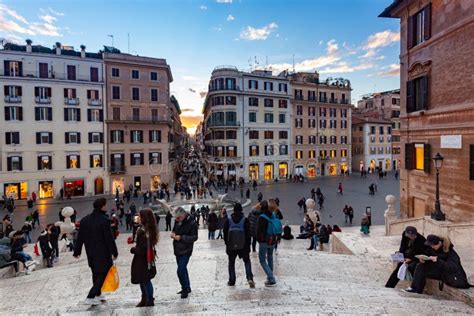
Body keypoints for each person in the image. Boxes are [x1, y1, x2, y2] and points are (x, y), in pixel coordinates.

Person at [73, 198, 118, 306]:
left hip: (91, 253)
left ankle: (98, 294)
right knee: (103, 272)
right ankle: (90, 296)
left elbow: (80, 238)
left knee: (95, 273)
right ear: (102, 206)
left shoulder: (84, 220)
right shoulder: (104, 220)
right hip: (103, 252)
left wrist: (77, 251)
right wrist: (114, 252)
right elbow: (109, 238)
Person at [404, 235, 472, 293]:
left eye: (433, 245)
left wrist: (438, 260)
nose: (432, 247)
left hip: (449, 274)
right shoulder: (432, 248)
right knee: (420, 266)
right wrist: (423, 260)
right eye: (431, 245)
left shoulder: (450, 252)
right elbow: (426, 255)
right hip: (439, 271)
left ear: (439, 243)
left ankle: (416, 288)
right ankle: (415, 289)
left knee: (422, 268)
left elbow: (452, 267)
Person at [223, 203, 255, 288]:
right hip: (243, 246)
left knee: (231, 263)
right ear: (241, 210)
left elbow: (225, 234)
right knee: (247, 261)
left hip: (231, 246)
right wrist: (248, 246)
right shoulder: (245, 220)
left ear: (233, 210)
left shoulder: (228, 221)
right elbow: (248, 235)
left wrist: (227, 244)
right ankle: (249, 278)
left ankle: (232, 280)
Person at [131, 208, 158, 307]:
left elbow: (143, 248)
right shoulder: (147, 229)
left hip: (143, 259)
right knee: (142, 279)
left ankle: (149, 300)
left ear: (144, 218)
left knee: (145, 279)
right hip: (142, 258)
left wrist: (133, 250)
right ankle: (145, 298)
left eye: (140, 216)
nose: (139, 218)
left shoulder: (145, 231)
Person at [171, 207, 198, 299]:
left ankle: (185, 289)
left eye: (178, 218)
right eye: (176, 218)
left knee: (180, 270)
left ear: (183, 215)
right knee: (183, 269)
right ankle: (187, 287)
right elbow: (174, 229)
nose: (177, 220)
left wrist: (181, 238)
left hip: (186, 250)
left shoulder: (192, 223)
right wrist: (173, 234)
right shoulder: (177, 221)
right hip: (177, 249)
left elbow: (194, 237)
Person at [256, 200, 277, 287]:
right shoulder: (272, 215)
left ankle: (271, 277)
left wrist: (258, 239)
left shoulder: (261, 217)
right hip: (272, 240)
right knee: (270, 258)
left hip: (264, 241)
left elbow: (259, 231)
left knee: (262, 260)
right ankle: (269, 278)